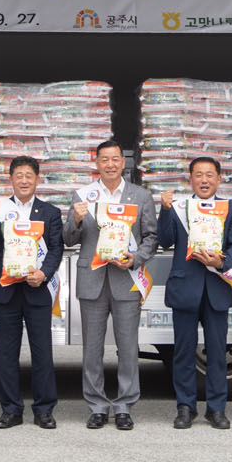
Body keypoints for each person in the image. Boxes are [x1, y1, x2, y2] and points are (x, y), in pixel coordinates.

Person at [63, 138, 158, 431]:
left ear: (123, 162)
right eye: (104, 159)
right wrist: (76, 220)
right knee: (92, 349)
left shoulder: (140, 196)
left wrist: (135, 259)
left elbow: (151, 238)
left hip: (125, 279)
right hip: (92, 280)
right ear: (97, 163)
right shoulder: (83, 196)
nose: (110, 164)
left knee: (128, 347)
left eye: (115, 159)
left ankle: (125, 405)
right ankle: (97, 405)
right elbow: (68, 238)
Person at [156, 157, 232, 430]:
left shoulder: (230, 209)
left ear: (219, 179)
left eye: (209, 175)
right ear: (190, 180)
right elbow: (165, 241)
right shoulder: (180, 208)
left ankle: (216, 409)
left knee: (218, 353)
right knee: (183, 352)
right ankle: (185, 407)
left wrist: (222, 262)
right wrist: (165, 210)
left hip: (217, 287)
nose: (204, 180)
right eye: (199, 175)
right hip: (185, 287)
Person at [0, 156, 65, 430]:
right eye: (19, 175)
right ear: (11, 179)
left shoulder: (50, 212)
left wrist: (44, 273)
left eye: (29, 175)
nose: (24, 180)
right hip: (6, 290)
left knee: (42, 353)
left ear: (37, 179)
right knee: (6, 354)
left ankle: (44, 410)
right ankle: (10, 410)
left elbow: (56, 248)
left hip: (36, 289)